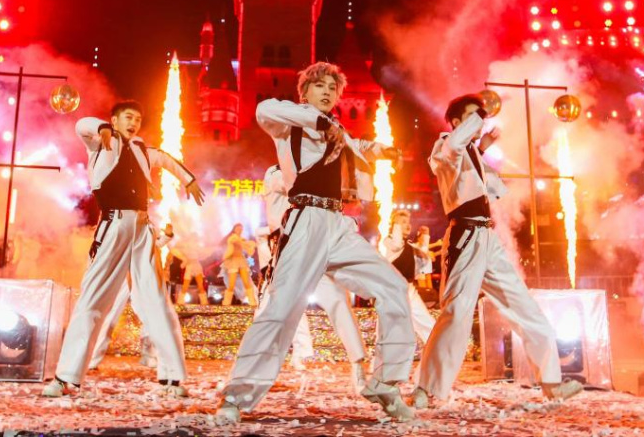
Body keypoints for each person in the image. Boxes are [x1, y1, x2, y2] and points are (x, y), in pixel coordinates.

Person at [215, 62, 414, 424]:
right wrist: (320, 122)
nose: (327, 92)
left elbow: (357, 145)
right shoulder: (288, 123)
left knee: (394, 289)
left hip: (338, 225)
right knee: (280, 309)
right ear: (304, 92)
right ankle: (236, 396)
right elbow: (263, 109)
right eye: (319, 86)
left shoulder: (338, 129)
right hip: (304, 221)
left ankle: (386, 383)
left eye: (333, 88)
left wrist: (383, 151)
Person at [413, 95, 582, 409]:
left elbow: (489, 184)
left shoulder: (473, 155)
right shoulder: (444, 146)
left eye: (481, 115)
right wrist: (479, 128)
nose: (480, 119)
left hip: (487, 237)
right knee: (457, 312)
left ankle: (552, 383)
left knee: (523, 305)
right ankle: (426, 388)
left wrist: (483, 148)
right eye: (472, 115)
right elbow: (455, 150)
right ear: (455, 122)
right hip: (464, 236)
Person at [42, 100, 205, 398]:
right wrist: (102, 128)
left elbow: (165, 159)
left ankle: (172, 377)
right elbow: (81, 125)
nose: (134, 123)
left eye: (138, 119)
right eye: (128, 117)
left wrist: (189, 180)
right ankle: (65, 377)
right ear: (115, 120)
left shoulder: (142, 151)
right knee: (93, 299)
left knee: (157, 300)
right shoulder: (100, 144)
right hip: (113, 225)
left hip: (142, 229)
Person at [259, 163, 369, 391]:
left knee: (337, 301)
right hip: (288, 251)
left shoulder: (313, 170)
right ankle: (255, 368)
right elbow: (295, 186)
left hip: (315, 246)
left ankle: (358, 363)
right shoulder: (276, 173)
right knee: (268, 310)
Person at [380, 210, 437, 346]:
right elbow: (397, 244)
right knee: (392, 328)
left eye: (408, 222)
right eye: (403, 222)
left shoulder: (409, 246)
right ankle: (386, 356)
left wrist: (425, 236)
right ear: (395, 225)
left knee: (426, 322)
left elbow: (423, 260)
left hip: (408, 289)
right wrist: (397, 225)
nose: (408, 225)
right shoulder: (389, 241)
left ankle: (437, 350)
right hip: (393, 290)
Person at [220, 224, 259, 306]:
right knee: (231, 284)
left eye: (241, 229)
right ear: (234, 229)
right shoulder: (232, 238)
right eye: (238, 228)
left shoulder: (242, 239)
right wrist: (248, 244)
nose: (239, 230)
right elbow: (238, 243)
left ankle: (252, 301)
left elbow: (248, 249)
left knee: (246, 282)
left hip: (241, 260)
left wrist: (250, 246)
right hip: (233, 261)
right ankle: (226, 302)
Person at [412, 226, 441, 290]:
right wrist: (437, 244)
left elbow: (432, 258)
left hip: (426, 271)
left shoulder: (424, 247)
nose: (422, 240)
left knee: (429, 289)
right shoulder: (415, 246)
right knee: (424, 289)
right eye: (421, 238)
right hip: (420, 272)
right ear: (418, 238)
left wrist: (436, 253)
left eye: (423, 238)